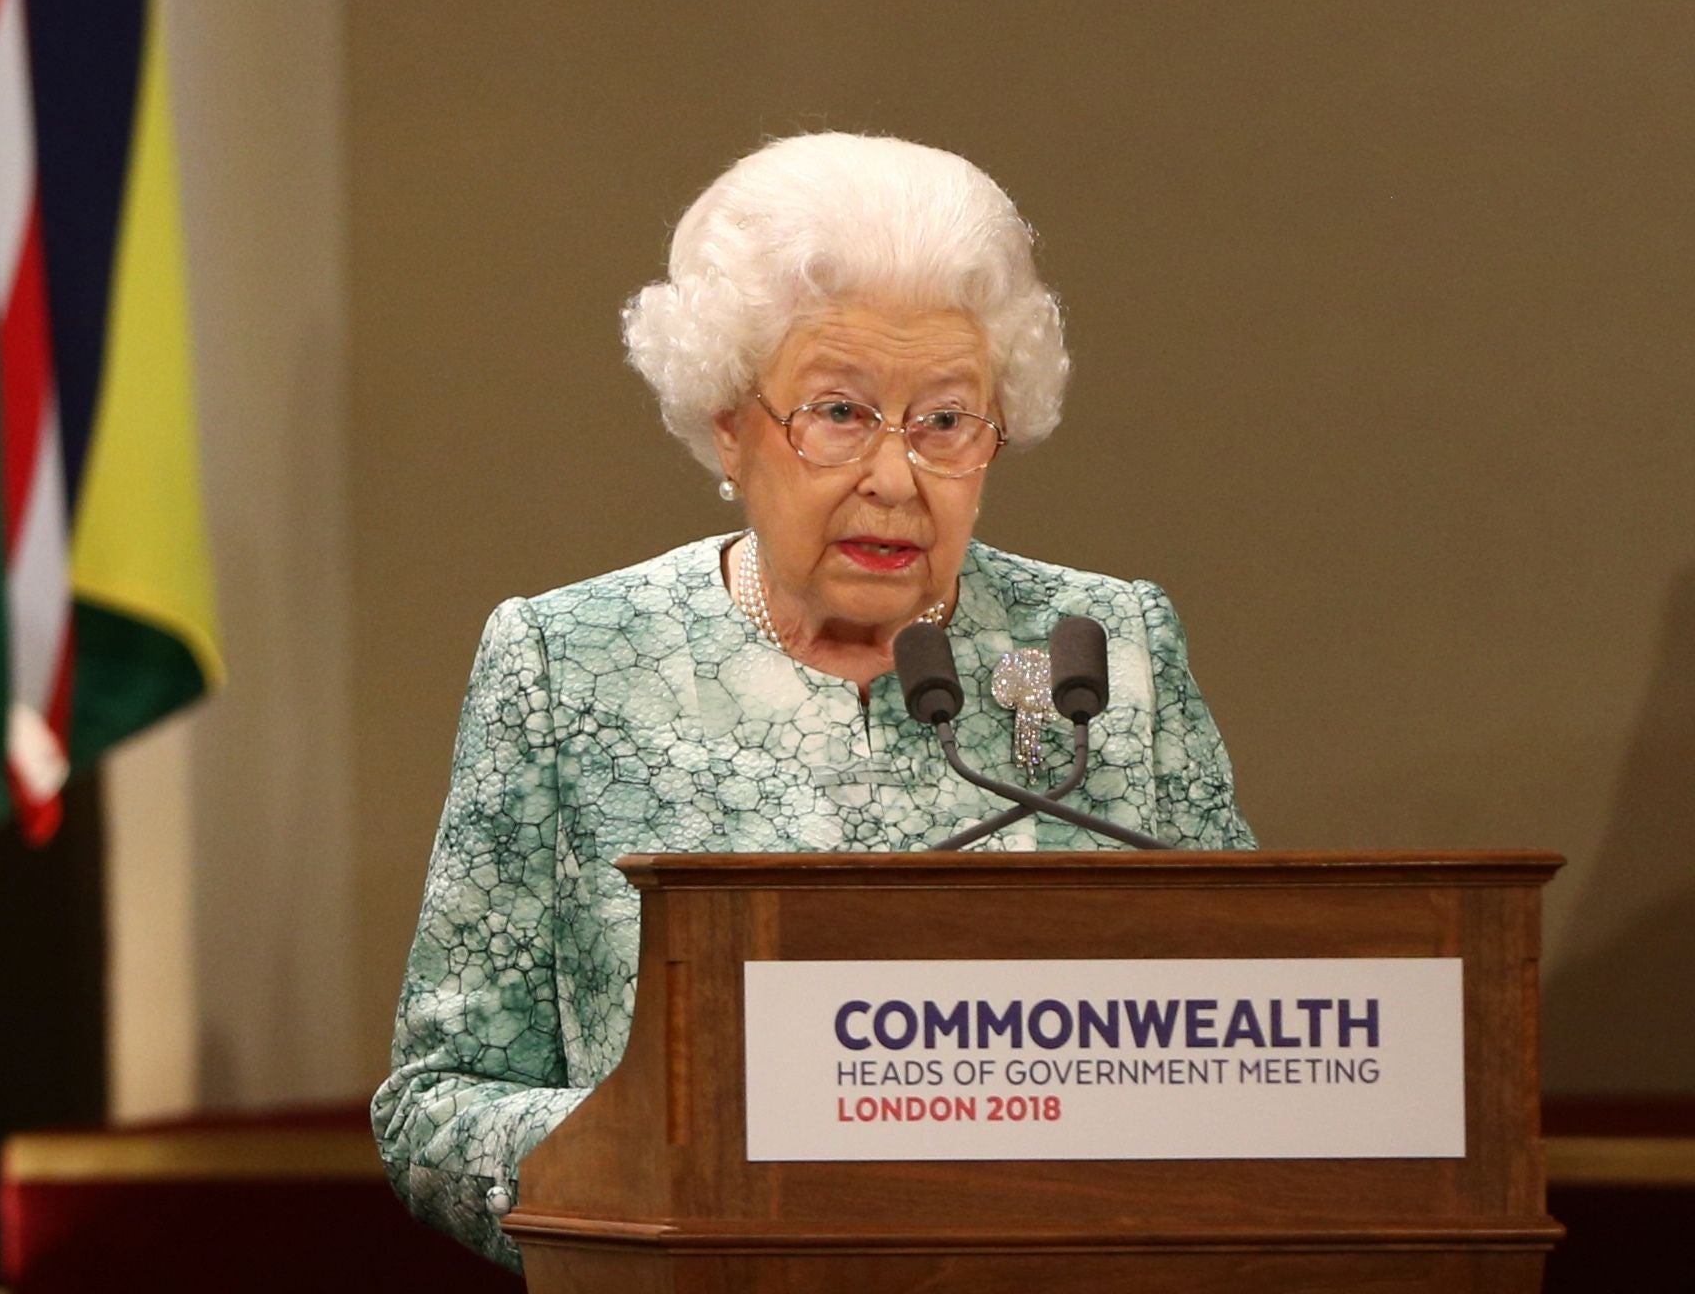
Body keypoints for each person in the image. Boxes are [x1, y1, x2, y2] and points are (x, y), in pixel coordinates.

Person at [374, 131, 1252, 1263]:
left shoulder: (1102, 652)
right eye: (838, 413)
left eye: (945, 421)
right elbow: (438, 1106)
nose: (895, 476)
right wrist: (674, 1157)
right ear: (730, 422)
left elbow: (1243, 1037)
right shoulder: (569, 659)